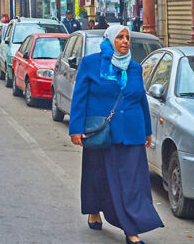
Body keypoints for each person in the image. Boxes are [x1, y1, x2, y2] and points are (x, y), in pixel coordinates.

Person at [69, 25, 162, 243]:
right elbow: (80, 97)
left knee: (132, 182)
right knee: (97, 174)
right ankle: (94, 210)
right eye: (119, 37)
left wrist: (147, 131)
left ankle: (131, 229)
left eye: (127, 37)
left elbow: (140, 100)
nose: (125, 41)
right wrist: (76, 128)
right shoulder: (91, 64)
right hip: (101, 132)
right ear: (110, 40)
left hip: (132, 132)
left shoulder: (135, 68)